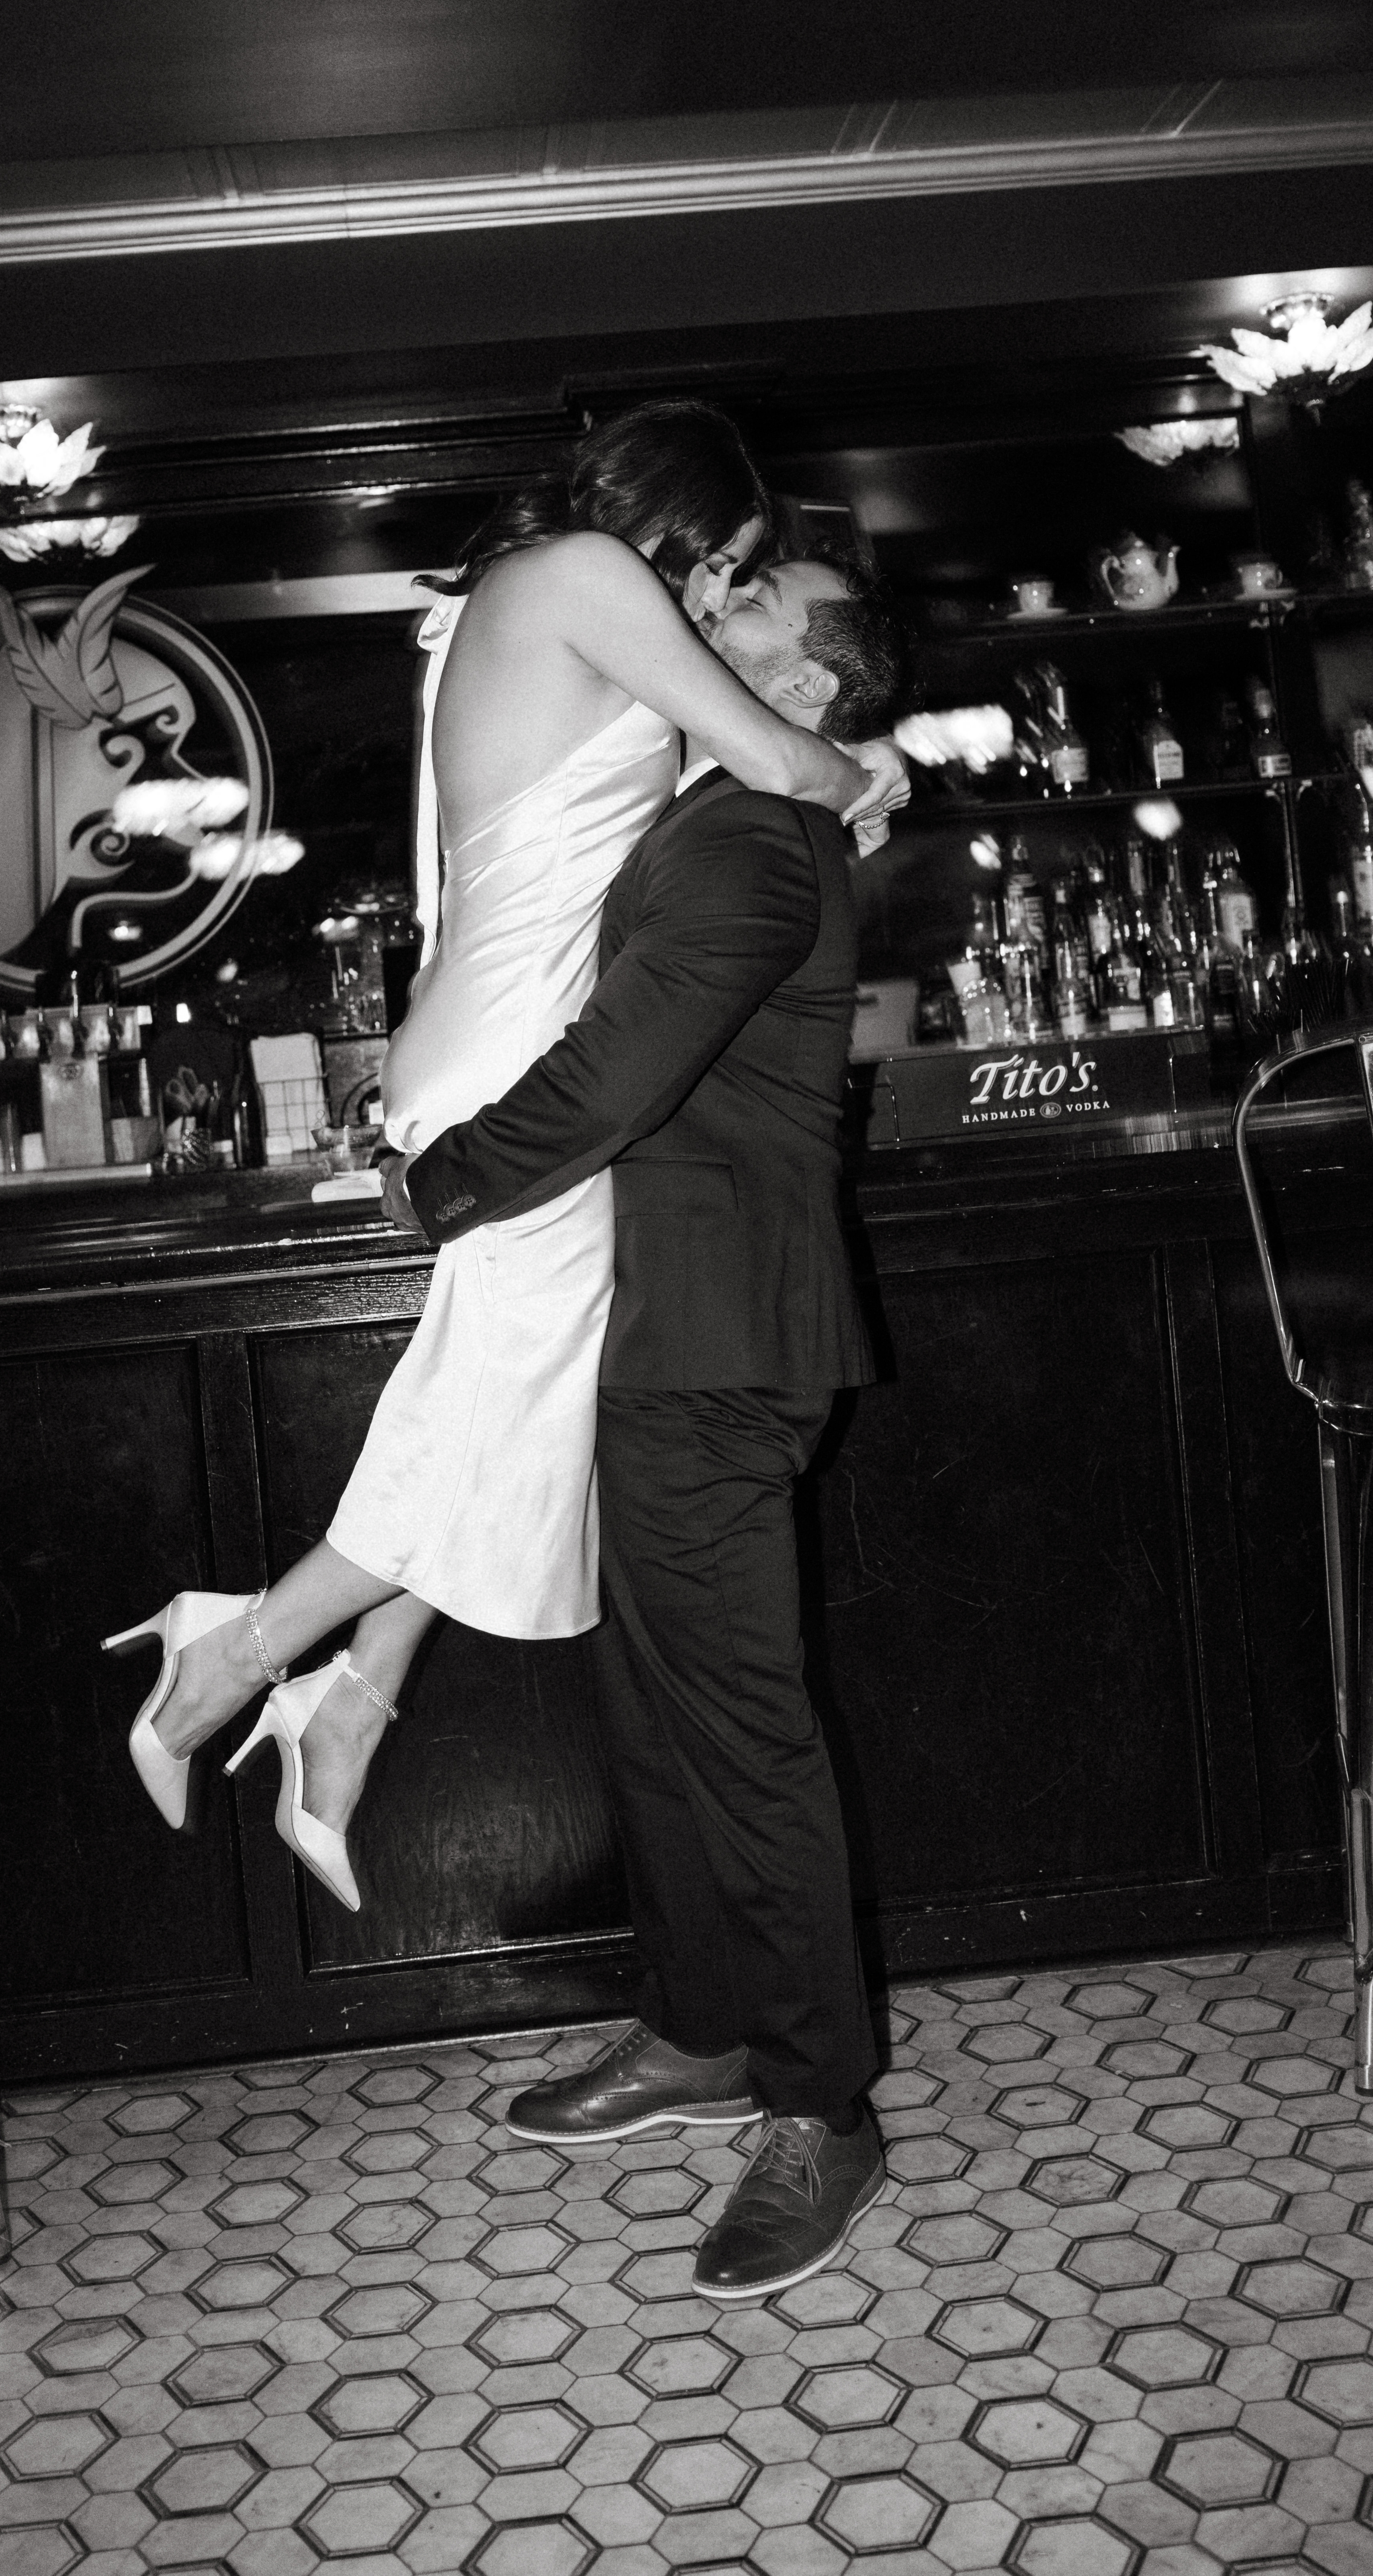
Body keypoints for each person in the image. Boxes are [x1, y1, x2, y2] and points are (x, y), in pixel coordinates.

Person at [103, 404, 907, 1909]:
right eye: (723, 562)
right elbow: (775, 762)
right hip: (512, 1064)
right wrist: (864, 767)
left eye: (738, 581)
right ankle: (238, 1652)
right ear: (672, 522)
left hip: (491, 1039)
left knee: (514, 1418)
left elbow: (721, 769)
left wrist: (839, 749)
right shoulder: (589, 576)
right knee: (510, 1418)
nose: (717, 595)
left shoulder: (539, 598)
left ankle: (347, 1699)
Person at [381, 552, 906, 2302]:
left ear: (810, 685)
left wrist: (442, 1180)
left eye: (753, 609)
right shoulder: (720, 805)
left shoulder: (755, 835)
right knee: (656, 1714)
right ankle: (699, 2026)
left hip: (717, 1329)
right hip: (656, 1328)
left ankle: (822, 2102)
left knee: (740, 1730)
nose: (709, 613)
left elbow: (625, 1068)